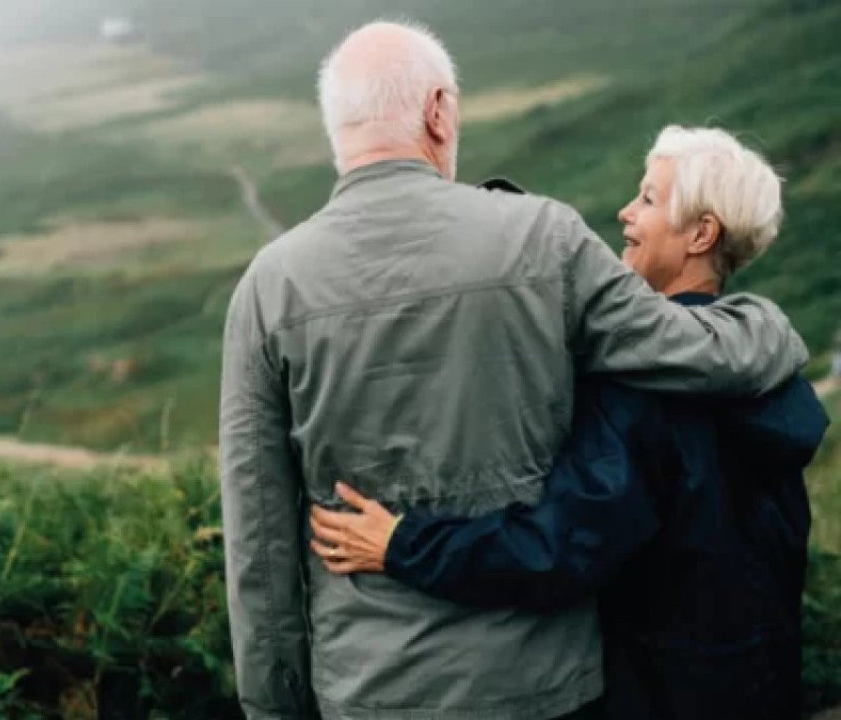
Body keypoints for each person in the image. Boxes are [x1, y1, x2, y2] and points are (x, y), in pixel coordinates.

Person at [220, 21, 809, 720]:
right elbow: (699, 353)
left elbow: (258, 547)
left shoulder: (267, 288)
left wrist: (275, 706)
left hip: (368, 690)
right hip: (547, 685)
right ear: (438, 110)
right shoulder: (545, 238)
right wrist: (767, 323)